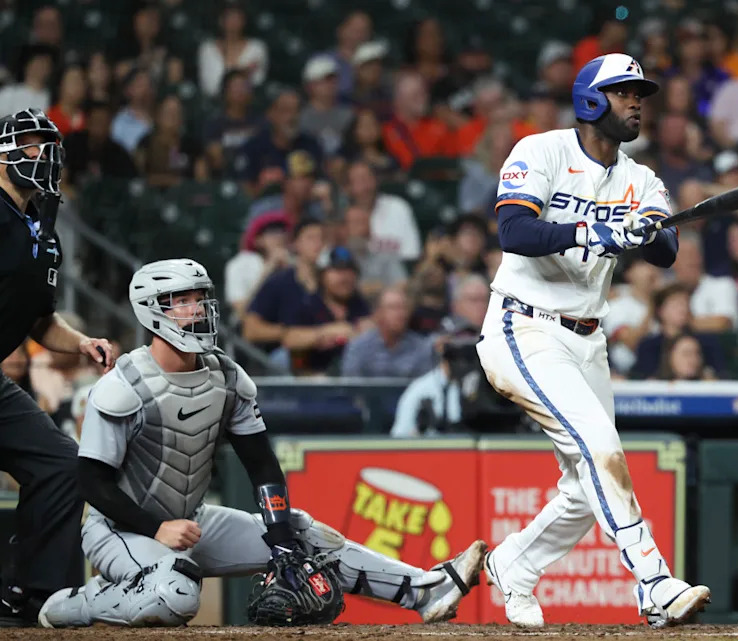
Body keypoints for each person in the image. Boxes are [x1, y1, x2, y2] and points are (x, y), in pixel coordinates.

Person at [37, 259, 486, 628]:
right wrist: (155, 528)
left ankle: (425, 590)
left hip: (193, 519)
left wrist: (280, 538)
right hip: (120, 529)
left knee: (300, 533)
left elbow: (262, 465)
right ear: (152, 309)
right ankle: (82, 602)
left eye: (200, 298)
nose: (197, 309)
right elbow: (92, 483)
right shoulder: (123, 384)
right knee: (175, 594)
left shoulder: (227, 375)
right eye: (183, 301)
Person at [476, 53, 710, 628]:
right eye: (624, 91)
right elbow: (514, 229)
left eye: (641, 93)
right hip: (523, 325)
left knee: (586, 485)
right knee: (600, 445)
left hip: (587, 338)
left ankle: (515, 564)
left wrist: (642, 228)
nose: (637, 102)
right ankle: (653, 581)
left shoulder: (641, 178)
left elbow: (666, 250)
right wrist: (596, 228)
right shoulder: (540, 151)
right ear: (589, 101)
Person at [0, 108, 116, 626]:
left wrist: (82, 341)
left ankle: (33, 595)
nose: (41, 154)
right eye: (28, 144)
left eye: (47, 145)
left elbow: (41, 321)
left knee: (61, 465)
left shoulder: (42, 230)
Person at [244, 222, 370, 375]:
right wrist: (312, 333)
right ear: (295, 244)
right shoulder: (280, 282)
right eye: (311, 238)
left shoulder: (339, 287)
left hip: (334, 361)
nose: (318, 244)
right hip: (286, 360)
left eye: (322, 239)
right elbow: (250, 330)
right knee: (283, 358)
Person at [340, 285, 433, 378]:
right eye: (393, 308)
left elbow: (424, 388)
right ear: (377, 313)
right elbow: (351, 388)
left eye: (404, 308)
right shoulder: (358, 348)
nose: (401, 314)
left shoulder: (422, 348)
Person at [197, 3, 268, 98]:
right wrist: (244, 71)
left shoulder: (257, 48)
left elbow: (257, 81)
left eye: (237, 19)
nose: (233, 23)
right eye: (229, 18)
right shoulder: (207, 48)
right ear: (221, 21)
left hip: (248, 103)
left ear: (244, 21)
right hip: (214, 102)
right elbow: (209, 86)